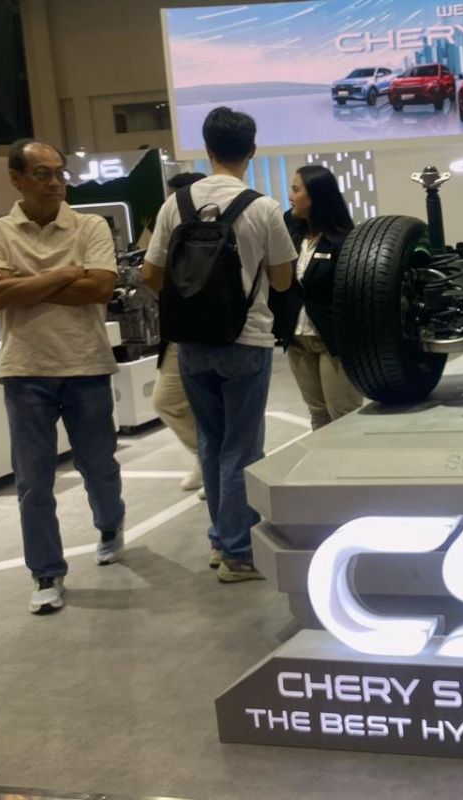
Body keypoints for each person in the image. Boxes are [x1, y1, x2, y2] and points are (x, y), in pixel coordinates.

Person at [142, 107, 295, 582]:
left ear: (207, 149)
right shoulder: (263, 207)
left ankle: (220, 539)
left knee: (210, 442)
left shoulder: (175, 205)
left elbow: (151, 274)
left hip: (191, 343)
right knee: (242, 447)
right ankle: (238, 552)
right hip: (246, 340)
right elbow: (283, 280)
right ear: (252, 151)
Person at [0, 138, 126, 615]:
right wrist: (66, 273)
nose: (56, 182)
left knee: (99, 466)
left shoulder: (90, 225)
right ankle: (45, 572)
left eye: (60, 173)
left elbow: (100, 288)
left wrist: (24, 285)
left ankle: (110, 524)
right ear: (16, 179)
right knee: (33, 481)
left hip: (87, 364)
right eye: (43, 174)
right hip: (25, 370)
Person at [278, 165, 364, 430]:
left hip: (333, 342)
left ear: (316, 195)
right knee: (318, 413)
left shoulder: (345, 241)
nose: (290, 196)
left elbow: (354, 294)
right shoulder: (291, 235)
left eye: (295, 190)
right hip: (296, 340)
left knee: (344, 414)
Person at [152, 171, 207, 494]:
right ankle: (205, 456)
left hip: (223, 333)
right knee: (166, 400)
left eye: (174, 197)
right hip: (178, 332)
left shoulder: (220, 229)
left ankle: (220, 466)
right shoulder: (168, 231)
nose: (170, 204)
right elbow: (151, 274)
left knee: (218, 405)